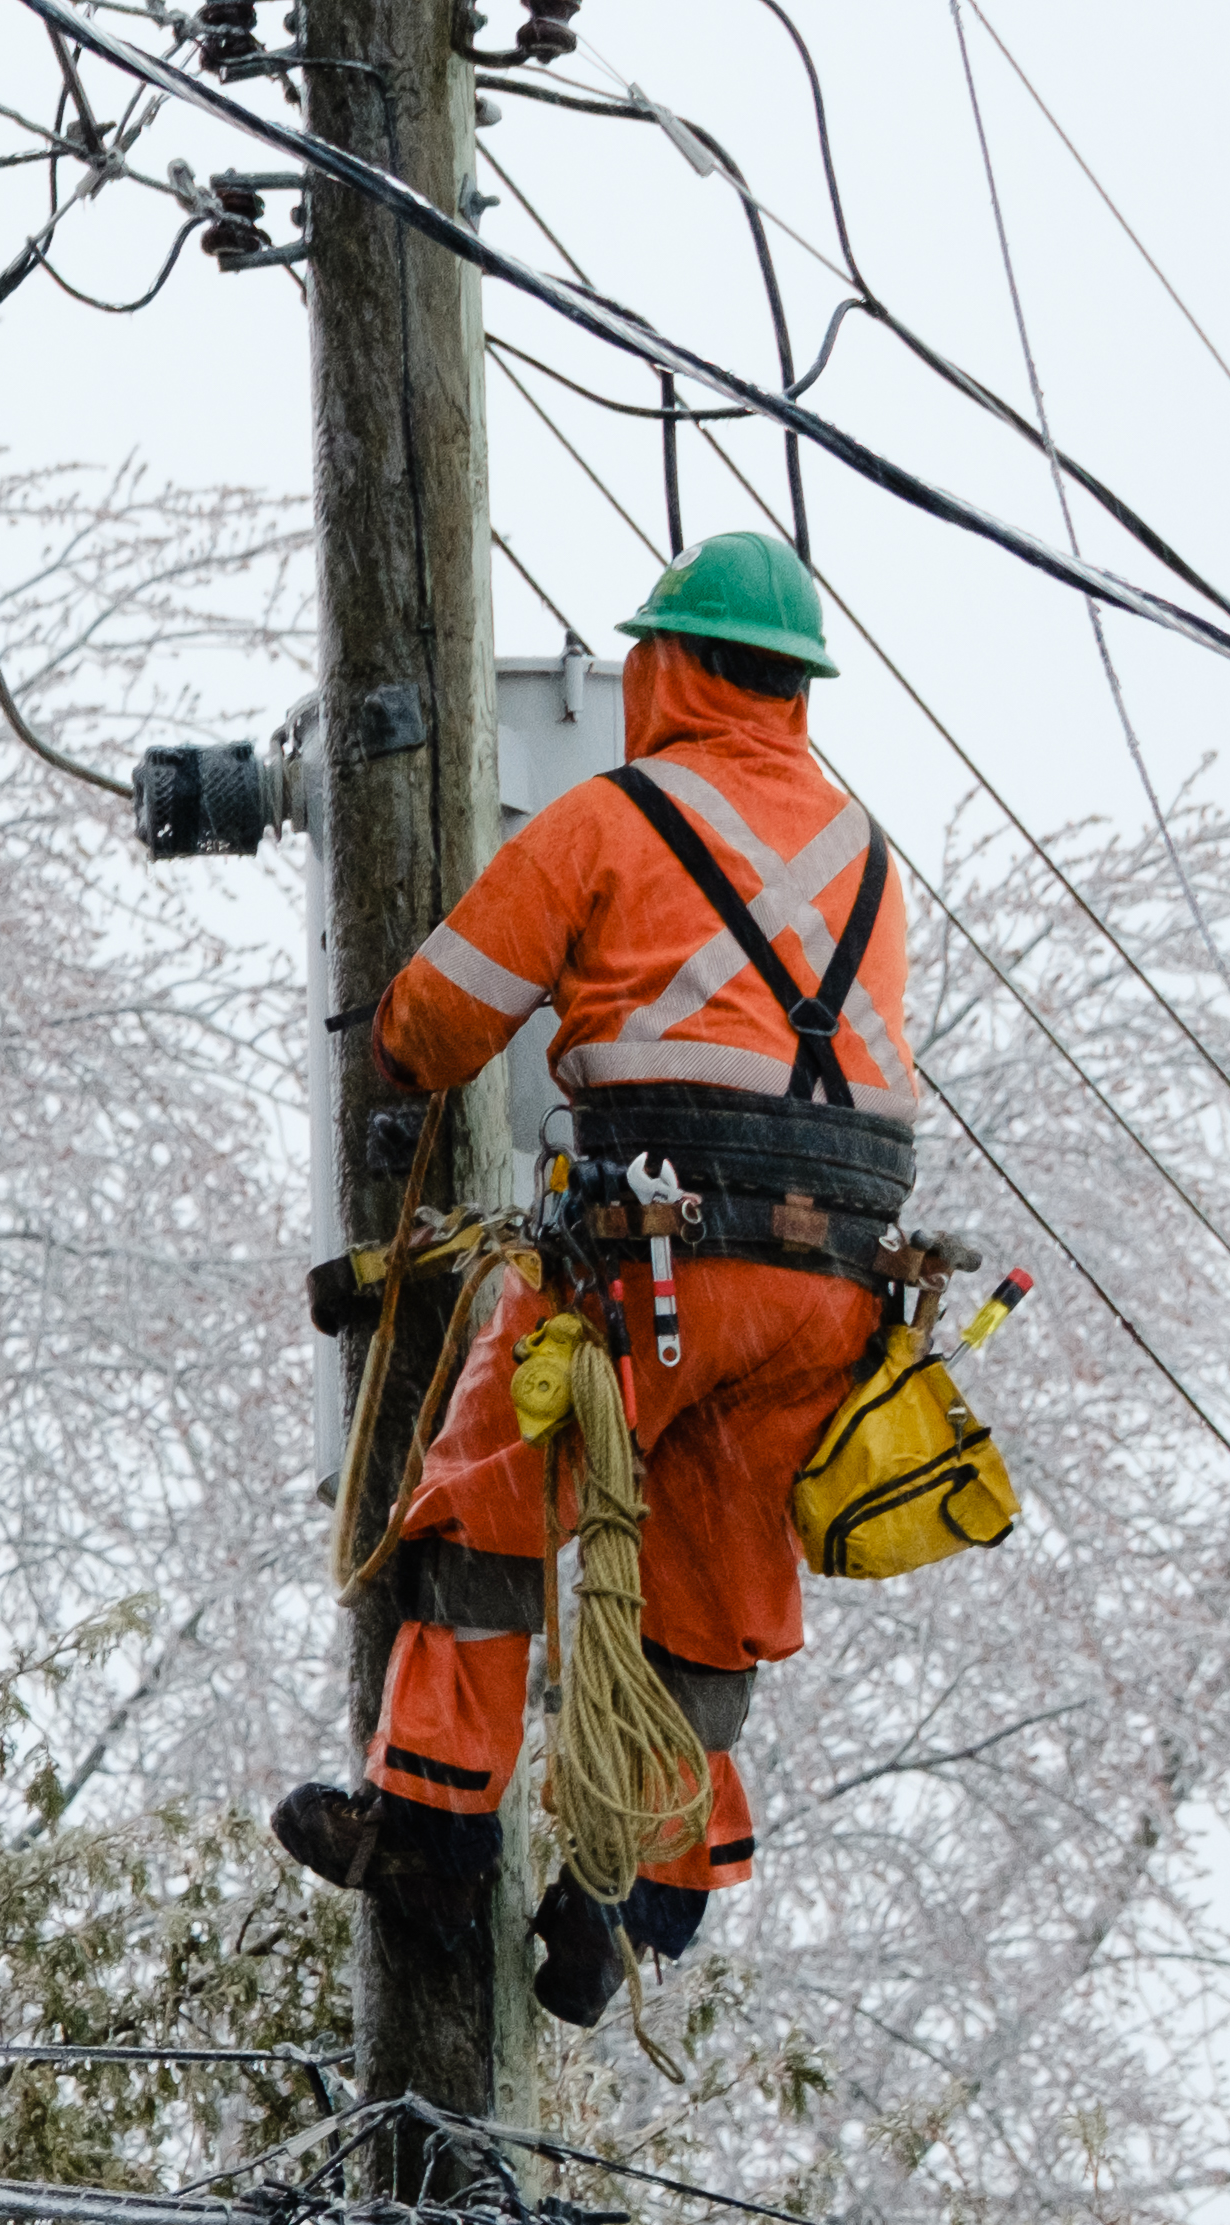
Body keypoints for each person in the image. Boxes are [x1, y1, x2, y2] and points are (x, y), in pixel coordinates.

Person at [276, 531, 917, 2023]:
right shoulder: (872, 861)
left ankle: (432, 1826)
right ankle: (637, 1902)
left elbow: (439, 1023)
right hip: (832, 1300)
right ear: (797, 692)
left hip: (651, 1269)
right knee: (712, 1587)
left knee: (487, 1493)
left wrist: (392, 1032)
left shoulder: (613, 819)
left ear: (669, 666)